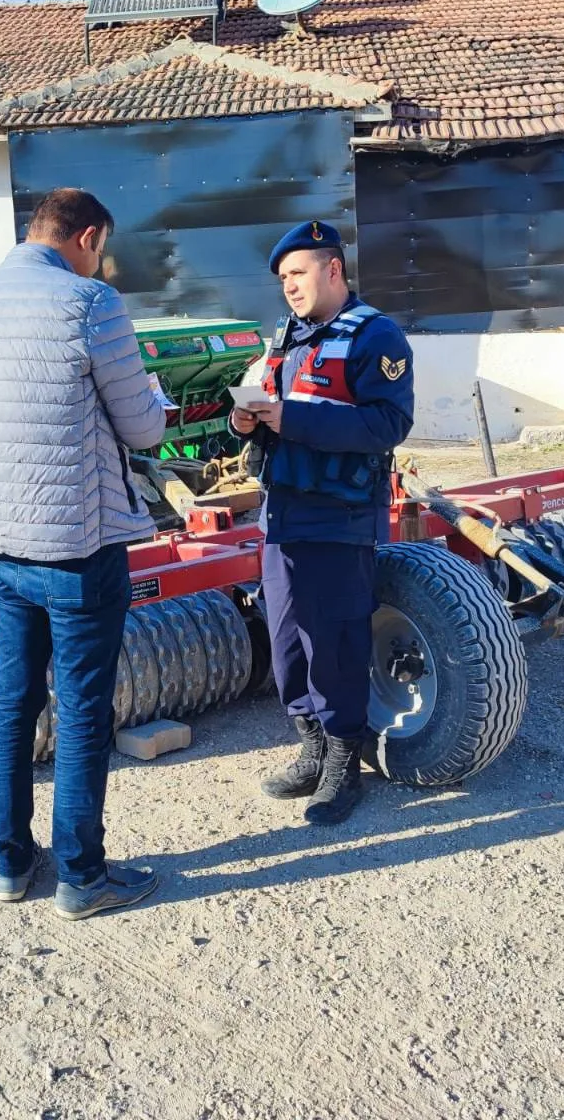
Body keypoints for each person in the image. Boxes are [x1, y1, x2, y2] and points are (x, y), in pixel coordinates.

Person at [0, 188, 165, 920]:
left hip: (0, 544)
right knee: (85, 709)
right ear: (87, 237)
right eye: (103, 251)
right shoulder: (89, 304)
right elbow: (144, 429)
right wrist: (154, 401)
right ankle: (84, 877)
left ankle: (11, 861)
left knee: (13, 702)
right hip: (76, 542)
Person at [231, 220, 415, 825]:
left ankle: (344, 761)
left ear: (332, 269)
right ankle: (311, 743)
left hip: (339, 517)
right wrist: (247, 421)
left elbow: (387, 425)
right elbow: (267, 403)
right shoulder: (287, 338)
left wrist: (289, 419)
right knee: (285, 637)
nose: (288, 286)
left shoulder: (376, 337)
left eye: (298, 273)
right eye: (282, 278)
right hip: (282, 513)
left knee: (334, 641)